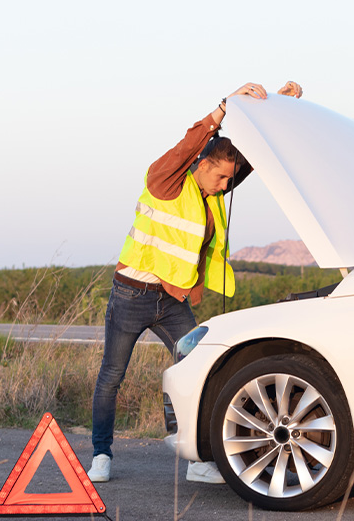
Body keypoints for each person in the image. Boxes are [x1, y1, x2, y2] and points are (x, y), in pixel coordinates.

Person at [88, 80, 303, 484]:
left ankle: (197, 461)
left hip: (171, 302)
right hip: (131, 294)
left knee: (204, 369)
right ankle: (101, 454)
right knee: (111, 376)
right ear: (202, 165)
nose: (226, 186)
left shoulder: (212, 194)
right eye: (221, 177)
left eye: (229, 180)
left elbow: (250, 160)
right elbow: (188, 145)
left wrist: (275, 109)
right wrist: (224, 107)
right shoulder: (165, 181)